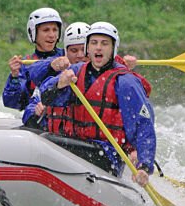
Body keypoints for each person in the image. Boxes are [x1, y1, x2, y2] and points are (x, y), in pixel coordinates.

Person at [40, 22, 156, 185]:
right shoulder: (76, 71)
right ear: (88, 47)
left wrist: (144, 165)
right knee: (44, 139)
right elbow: (46, 97)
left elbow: (144, 125)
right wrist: (59, 84)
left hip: (106, 154)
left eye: (104, 43)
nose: (98, 48)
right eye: (94, 43)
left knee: (47, 141)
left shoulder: (126, 82)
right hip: (75, 146)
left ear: (113, 48)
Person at [23, 21, 89, 128]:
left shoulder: (106, 77)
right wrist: (35, 112)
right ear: (66, 52)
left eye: (84, 50)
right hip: (61, 138)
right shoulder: (53, 77)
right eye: (74, 50)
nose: (80, 55)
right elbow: (28, 113)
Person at [3, 7, 68, 111]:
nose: (52, 35)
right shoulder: (25, 64)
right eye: (46, 30)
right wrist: (14, 77)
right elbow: (13, 103)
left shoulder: (68, 57)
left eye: (55, 30)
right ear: (33, 32)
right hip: (36, 118)